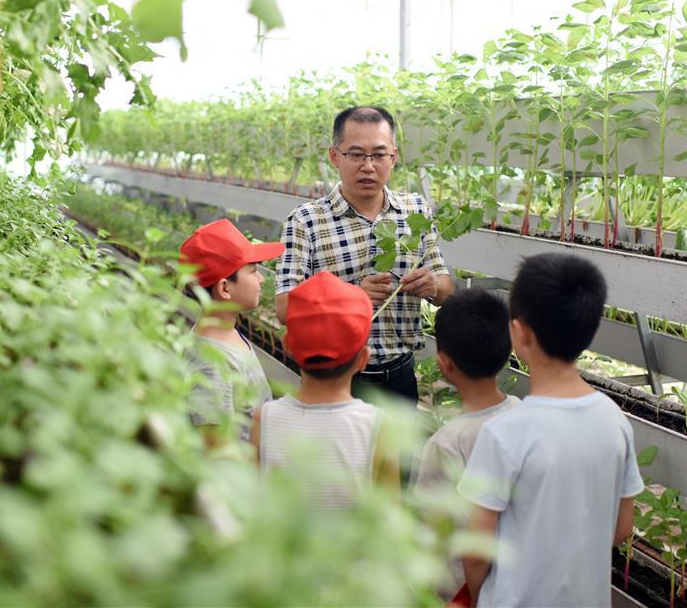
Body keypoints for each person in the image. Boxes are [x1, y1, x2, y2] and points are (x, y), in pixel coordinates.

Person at [458, 253, 644, 607]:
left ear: (519, 333)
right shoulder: (614, 420)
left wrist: (485, 596)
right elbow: (621, 529)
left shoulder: (504, 433)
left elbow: (476, 549)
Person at [275, 106, 455, 404]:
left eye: (379, 155)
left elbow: (447, 291)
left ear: (393, 157)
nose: (368, 166)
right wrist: (350, 296)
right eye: (356, 155)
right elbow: (283, 308)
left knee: (397, 453)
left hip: (400, 378)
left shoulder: (415, 212)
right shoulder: (306, 221)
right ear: (335, 156)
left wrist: (433, 286)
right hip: (336, 381)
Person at [252, 271, 399, 505]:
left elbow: (252, 499)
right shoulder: (379, 427)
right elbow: (390, 513)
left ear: (288, 346)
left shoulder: (265, 419)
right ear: (363, 359)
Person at [411, 288, 521, 601]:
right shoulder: (524, 416)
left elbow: (429, 528)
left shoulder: (446, 443)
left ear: (444, 363)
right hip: (522, 580)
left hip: (464, 589)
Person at [179, 218, 286, 446]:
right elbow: (215, 450)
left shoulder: (228, 333)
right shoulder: (210, 365)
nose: (261, 278)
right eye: (253, 271)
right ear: (225, 288)